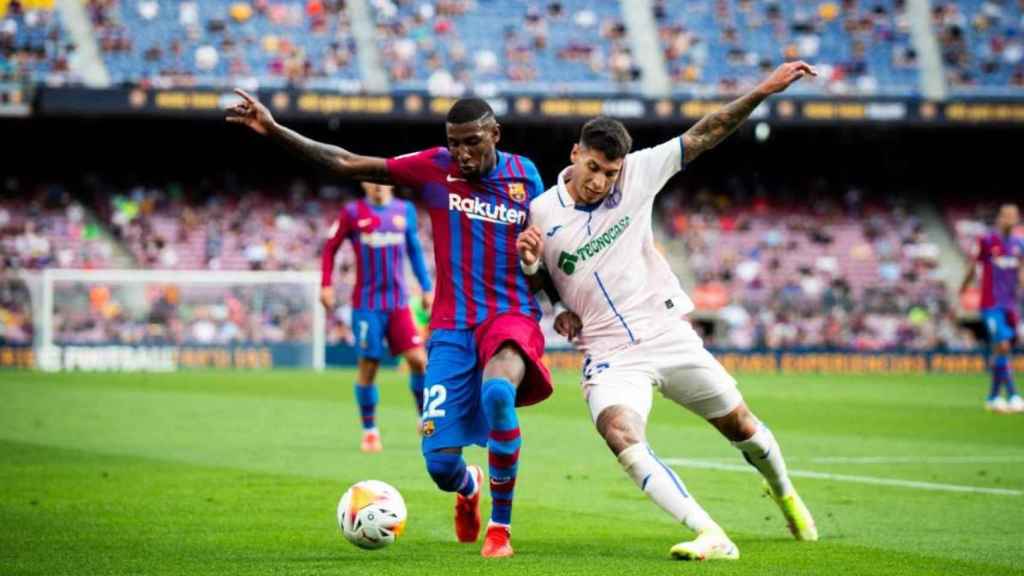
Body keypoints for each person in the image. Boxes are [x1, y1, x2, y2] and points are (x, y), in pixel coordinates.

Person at [516, 62, 819, 561]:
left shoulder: (640, 173)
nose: (599, 182)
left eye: (610, 173)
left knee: (742, 427)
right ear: (575, 154)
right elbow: (543, 279)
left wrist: (764, 89)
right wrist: (541, 282)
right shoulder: (540, 214)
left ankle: (785, 492)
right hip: (609, 351)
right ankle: (710, 533)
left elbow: (708, 131)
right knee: (617, 429)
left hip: (665, 333)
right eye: (593, 168)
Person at [227, 92, 551, 558]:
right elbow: (346, 163)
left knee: (499, 391)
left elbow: (545, 259)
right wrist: (276, 130)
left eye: (473, 142)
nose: (463, 153)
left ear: (495, 134)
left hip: (511, 315)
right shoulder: (436, 168)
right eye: (455, 143)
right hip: (453, 326)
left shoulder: (527, 176)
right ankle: (469, 486)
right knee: (440, 465)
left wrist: (545, 280)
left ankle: (500, 528)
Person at [321, 181, 434, 452]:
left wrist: (427, 287)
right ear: (363, 183)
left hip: (398, 303)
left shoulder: (404, 210)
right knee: (369, 365)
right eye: (372, 180)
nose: (378, 186)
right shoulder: (352, 212)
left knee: (419, 360)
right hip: (366, 305)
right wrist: (326, 283)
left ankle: (424, 418)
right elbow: (330, 247)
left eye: (381, 179)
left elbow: (415, 251)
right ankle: (370, 430)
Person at [960, 203, 1024, 413]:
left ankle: (993, 397)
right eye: (1005, 215)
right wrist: (964, 285)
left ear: (1017, 219)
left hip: (1010, 305)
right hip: (991, 303)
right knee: (1004, 346)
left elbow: (1022, 274)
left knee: (1001, 350)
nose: (1008, 219)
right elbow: (973, 265)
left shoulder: (1019, 244)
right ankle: (1014, 395)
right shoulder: (987, 241)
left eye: (1012, 216)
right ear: (999, 218)